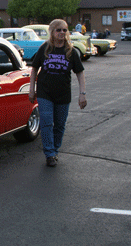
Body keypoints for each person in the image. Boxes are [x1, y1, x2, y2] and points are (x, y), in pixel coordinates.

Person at [29, 19, 87, 167]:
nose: (62, 33)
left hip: (63, 94)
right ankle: (49, 154)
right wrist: (32, 89)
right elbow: (34, 69)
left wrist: (82, 94)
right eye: (58, 30)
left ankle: (54, 150)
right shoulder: (45, 48)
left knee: (60, 125)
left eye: (64, 30)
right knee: (47, 122)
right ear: (52, 32)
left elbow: (80, 73)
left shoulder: (71, 51)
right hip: (44, 93)